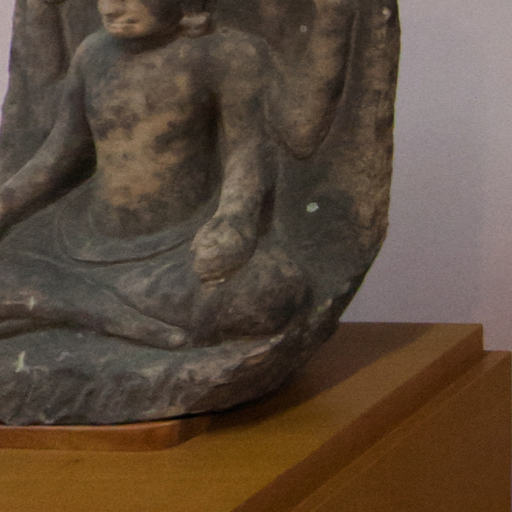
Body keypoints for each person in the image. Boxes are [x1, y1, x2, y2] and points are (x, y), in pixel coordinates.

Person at [0, 0, 355, 348]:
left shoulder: (226, 52)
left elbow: (247, 148)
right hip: (81, 242)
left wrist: (234, 220)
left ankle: (55, 302)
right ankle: (103, 314)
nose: (110, 9)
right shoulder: (92, 52)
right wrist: (6, 204)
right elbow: (60, 152)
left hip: (175, 252)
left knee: (272, 292)